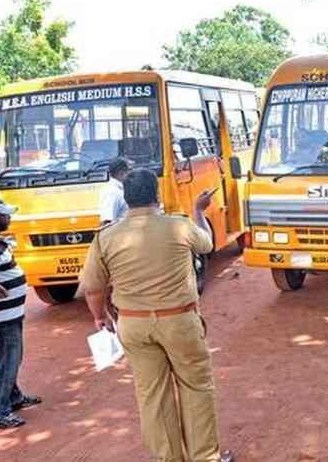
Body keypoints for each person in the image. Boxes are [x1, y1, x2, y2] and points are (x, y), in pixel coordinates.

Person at [80, 169, 234, 462]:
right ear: (157, 194)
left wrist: (99, 317)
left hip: (133, 325)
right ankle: (204, 457)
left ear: (126, 198)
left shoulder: (106, 237)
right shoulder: (179, 226)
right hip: (180, 321)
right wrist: (198, 210)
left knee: (152, 395)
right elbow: (207, 244)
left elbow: (92, 286)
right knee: (196, 387)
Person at [0, 197, 41, 429]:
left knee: (11, 357)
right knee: (4, 361)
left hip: (7, 314)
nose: (9, 218)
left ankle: (13, 397)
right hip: (1, 316)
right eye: (4, 215)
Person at [99, 157, 132, 225]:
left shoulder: (120, 189)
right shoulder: (112, 192)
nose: (131, 173)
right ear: (121, 173)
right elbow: (107, 222)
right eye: (129, 170)